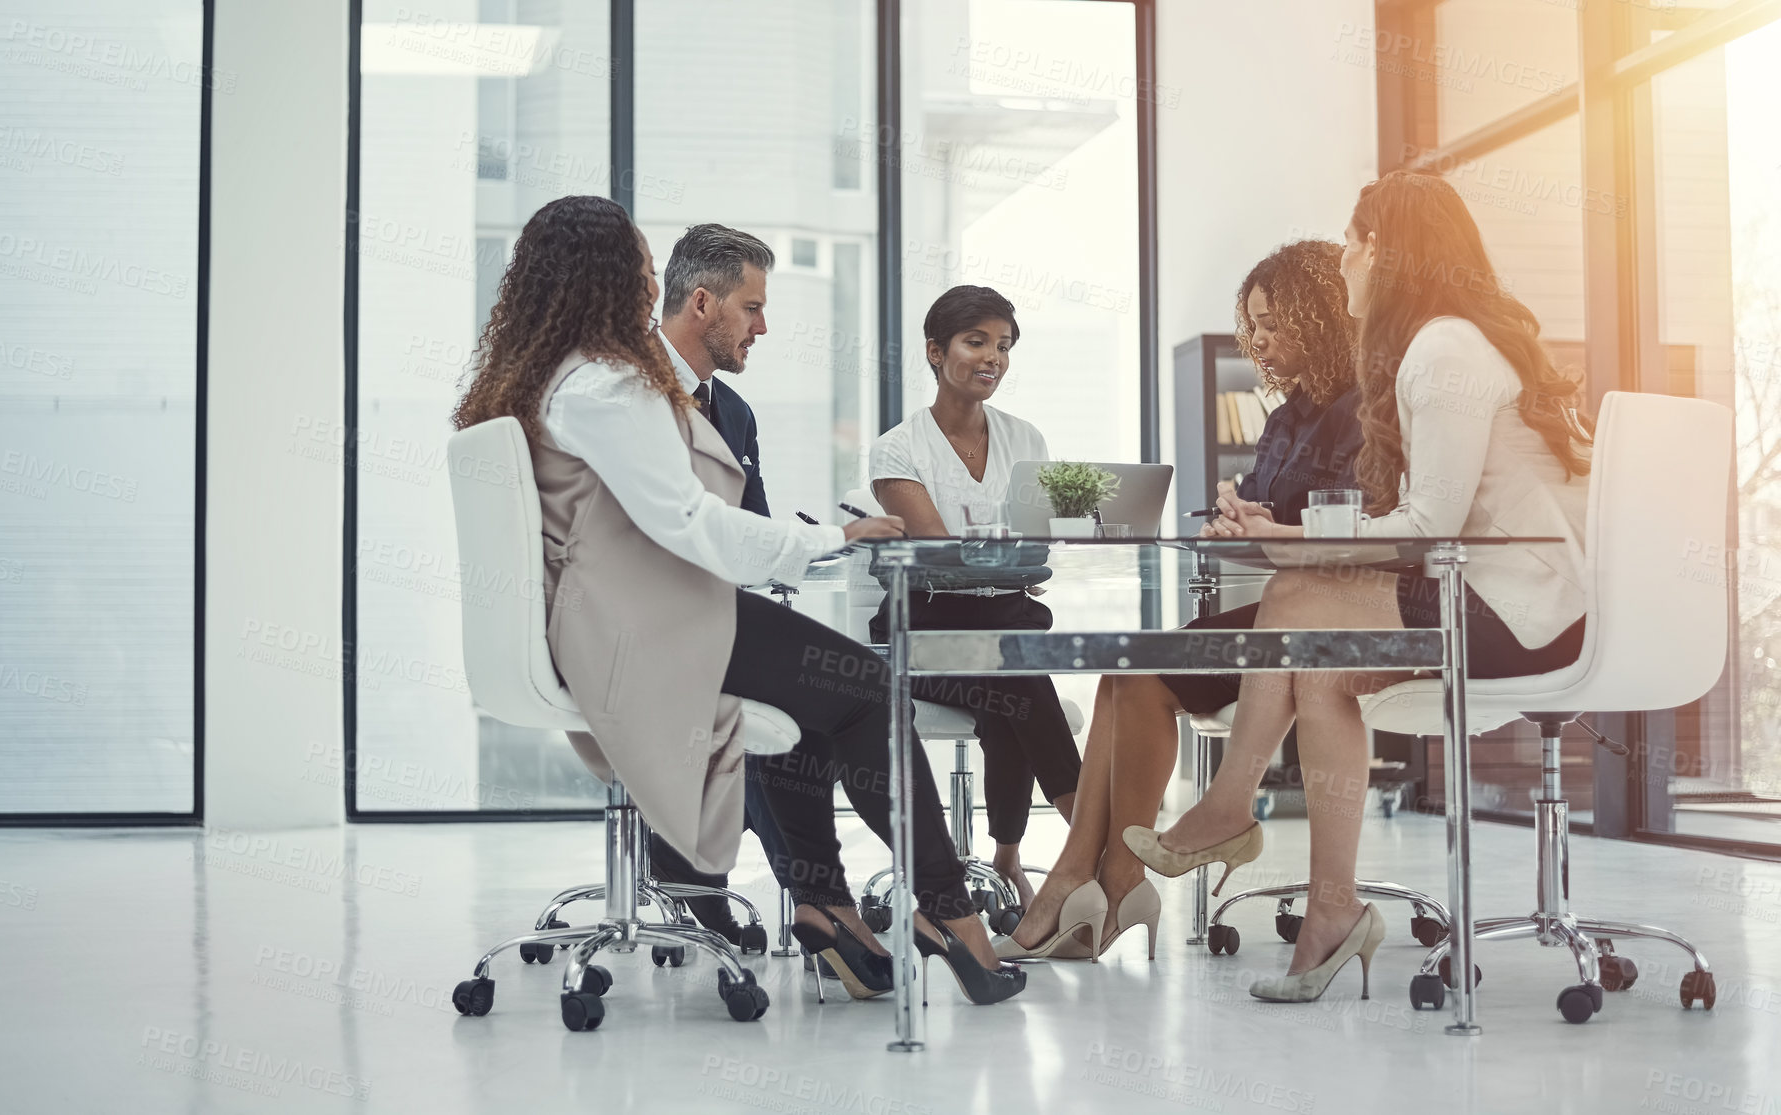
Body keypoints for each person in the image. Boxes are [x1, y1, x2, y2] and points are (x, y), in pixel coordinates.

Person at [452, 196, 1023, 1006]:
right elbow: (691, 526)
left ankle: (826, 909)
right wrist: (832, 537)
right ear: (610, 280)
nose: (649, 287)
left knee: (816, 687)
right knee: (865, 687)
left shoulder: (549, 377)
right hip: (639, 631)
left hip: (604, 625)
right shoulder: (607, 387)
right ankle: (947, 912)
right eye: (643, 271)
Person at [1125, 171, 1593, 1002]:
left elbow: (1430, 525)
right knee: (1317, 653)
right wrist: (1287, 536)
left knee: (1297, 604)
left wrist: (1291, 538)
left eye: (1352, 240)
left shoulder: (1443, 349)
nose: (1343, 258)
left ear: (1385, 250)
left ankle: (1235, 806)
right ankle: (1329, 910)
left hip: (1518, 609)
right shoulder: (1451, 340)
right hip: (1504, 594)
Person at [1001, 241, 1363, 961]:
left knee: (1141, 669)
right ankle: (1100, 875)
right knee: (1127, 666)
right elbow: (1269, 523)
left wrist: (1266, 528)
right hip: (1282, 607)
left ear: (1319, 317)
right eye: (1252, 322)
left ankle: (1094, 879)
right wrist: (1237, 521)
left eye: (1274, 321)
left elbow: (1352, 536)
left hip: (1336, 618)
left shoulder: (1366, 410)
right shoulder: (1288, 416)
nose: (1258, 338)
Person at [868, 285, 1082, 909]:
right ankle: (1094, 852)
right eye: (976, 341)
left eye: (1004, 346)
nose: (993, 357)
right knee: (1019, 685)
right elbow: (941, 559)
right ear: (936, 352)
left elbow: (1034, 549)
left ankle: (1010, 861)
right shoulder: (898, 449)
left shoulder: (1026, 440)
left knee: (1010, 688)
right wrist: (1004, 559)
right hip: (927, 634)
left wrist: (1013, 558)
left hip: (1006, 622)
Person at [639, 223, 797, 946]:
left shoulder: (734, 413)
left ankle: (809, 895)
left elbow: (752, 531)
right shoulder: (627, 389)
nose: (763, 327)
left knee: (813, 685)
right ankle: (714, 882)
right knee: (756, 688)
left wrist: (805, 549)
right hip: (644, 623)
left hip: (717, 615)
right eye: (752, 308)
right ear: (702, 303)